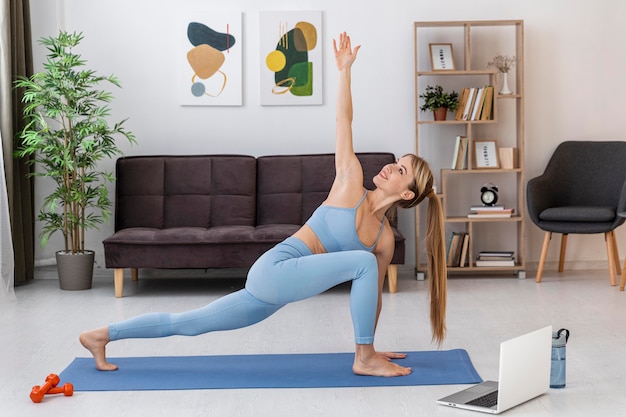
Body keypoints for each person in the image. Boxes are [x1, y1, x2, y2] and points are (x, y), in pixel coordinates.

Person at [80, 32, 447, 378]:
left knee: (191, 323)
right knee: (364, 263)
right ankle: (362, 359)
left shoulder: (383, 240)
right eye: (396, 160)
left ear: (407, 194)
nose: (389, 166)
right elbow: (343, 120)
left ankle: (101, 335)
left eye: (400, 169)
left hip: (277, 290)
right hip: (275, 270)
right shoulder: (350, 182)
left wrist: (373, 343)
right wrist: (345, 70)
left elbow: (373, 297)